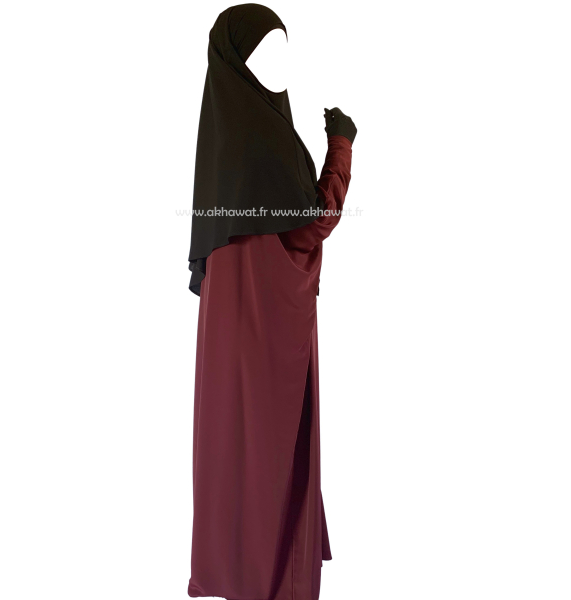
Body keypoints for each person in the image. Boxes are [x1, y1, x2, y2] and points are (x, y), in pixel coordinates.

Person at [187, 5, 357, 600]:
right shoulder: (263, 137)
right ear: (237, 62)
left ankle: (234, 569)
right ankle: (274, 577)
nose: (279, 65)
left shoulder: (224, 136)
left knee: (234, 440)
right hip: (269, 325)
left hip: (228, 323)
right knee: (271, 441)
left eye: (285, 49)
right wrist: (341, 146)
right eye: (265, 52)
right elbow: (314, 222)